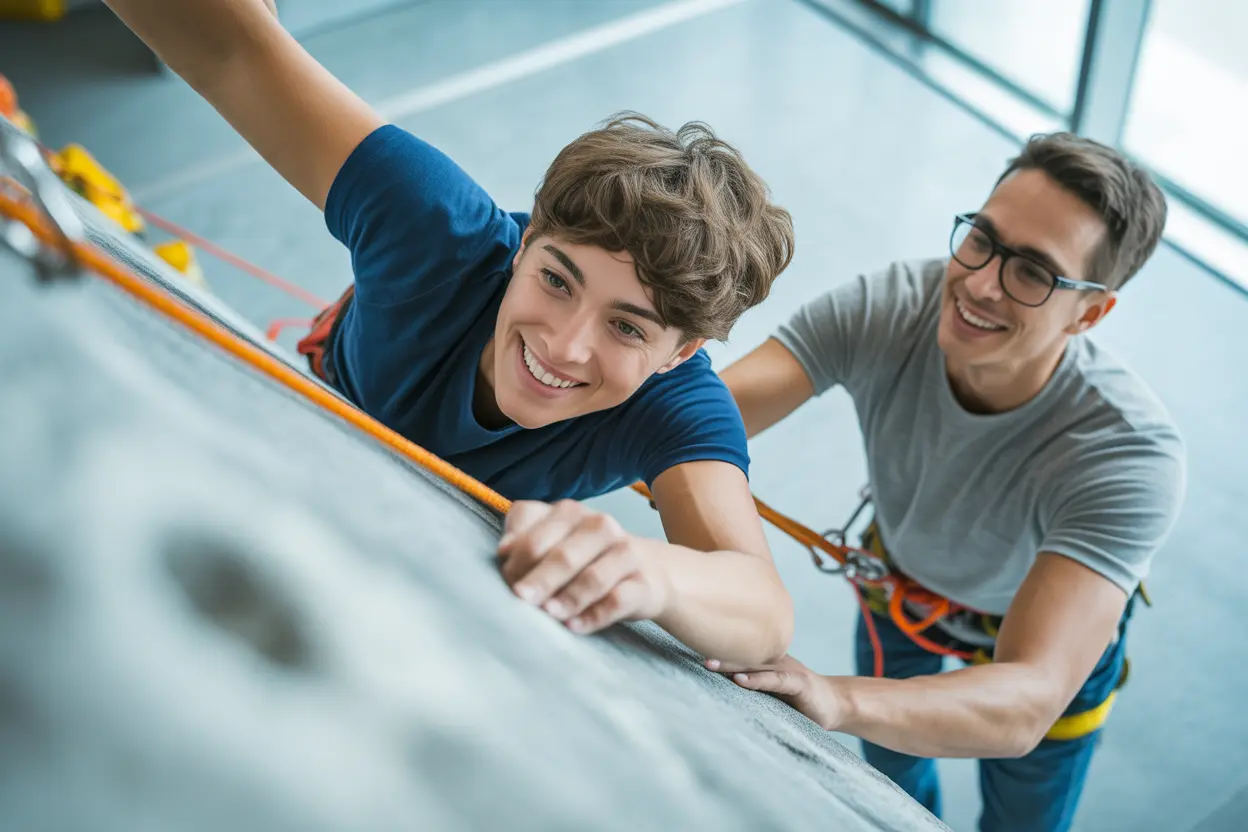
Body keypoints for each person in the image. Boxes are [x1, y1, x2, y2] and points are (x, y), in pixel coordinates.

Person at [101, 0, 797, 667]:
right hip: (326, 401)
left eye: (625, 327)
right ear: (525, 244)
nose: (563, 344)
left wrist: (646, 569)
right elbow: (232, 52)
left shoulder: (676, 406)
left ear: (681, 354)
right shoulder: (433, 228)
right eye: (557, 280)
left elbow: (761, 607)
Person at [711, 133, 1186, 831]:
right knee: (892, 778)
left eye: (1034, 272)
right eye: (983, 239)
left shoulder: (1127, 452)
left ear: (1090, 313)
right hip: (901, 586)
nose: (981, 283)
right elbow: (700, 421)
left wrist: (836, 700)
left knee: (1026, 817)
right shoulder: (891, 306)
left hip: (1036, 633)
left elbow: (1028, 697)